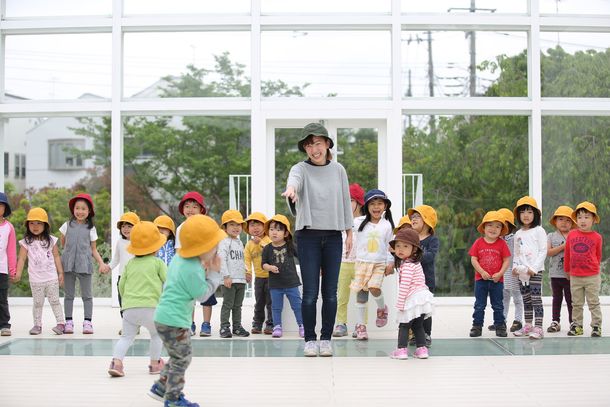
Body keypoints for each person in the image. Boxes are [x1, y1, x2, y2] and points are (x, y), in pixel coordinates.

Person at [282, 122, 353, 357]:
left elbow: (345, 200)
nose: (314, 149)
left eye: (318, 143)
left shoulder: (339, 170)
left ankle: (326, 338)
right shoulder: (300, 169)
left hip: (333, 235)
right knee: (311, 291)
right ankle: (310, 339)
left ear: (327, 145)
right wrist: (292, 190)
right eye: (309, 145)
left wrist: (349, 232)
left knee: (330, 292)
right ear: (305, 148)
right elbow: (294, 181)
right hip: (308, 235)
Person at [148, 214, 225, 407]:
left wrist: (205, 268)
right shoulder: (191, 268)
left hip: (165, 317)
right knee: (183, 359)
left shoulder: (181, 259)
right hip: (174, 321)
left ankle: (161, 386)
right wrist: (215, 274)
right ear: (204, 248)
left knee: (177, 356)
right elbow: (202, 295)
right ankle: (173, 400)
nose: (216, 252)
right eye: (214, 247)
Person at [108, 221, 167, 377]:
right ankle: (155, 364)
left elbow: (121, 285)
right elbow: (168, 283)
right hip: (152, 308)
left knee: (126, 337)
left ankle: (117, 363)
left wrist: (125, 303)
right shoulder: (158, 263)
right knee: (156, 335)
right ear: (156, 246)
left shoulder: (130, 264)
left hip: (130, 309)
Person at [60, 193, 109, 334]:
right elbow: (63, 242)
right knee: (68, 295)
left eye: (83, 209)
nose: (80, 211)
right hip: (68, 264)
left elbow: (93, 249)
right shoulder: (66, 225)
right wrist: (67, 254)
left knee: (87, 296)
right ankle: (68, 322)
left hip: (84, 265)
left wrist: (101, 263)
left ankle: (87, 322)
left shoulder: (91, 228)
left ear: (89, 212)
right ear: (73, 210)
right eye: (77, 208)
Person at [350, 189, 395, 341]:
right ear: (367, 206)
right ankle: (361, 326)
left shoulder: (387, 225)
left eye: (380, 204)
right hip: (362, 262)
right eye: (372, 204)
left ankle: (382, 308)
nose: (376, 207)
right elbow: (345, 228)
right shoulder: (357, 222)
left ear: (385, 206)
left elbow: (390, 246)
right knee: (361, 295)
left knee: (374, 287)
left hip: (379, 263)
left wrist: (390, 262)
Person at [12, 208, 65, 335]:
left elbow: (57, 257)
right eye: (32, 223)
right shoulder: (26, 242)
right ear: (27, 225)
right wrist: (18, 273)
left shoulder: (51, 240)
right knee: (37, 303)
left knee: (55, 301)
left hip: (51, 278)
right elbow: (22, 258)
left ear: (45, 225)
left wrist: (61, 273)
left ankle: (61, 323)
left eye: (39, 223)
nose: (35, 226)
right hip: (36, 280)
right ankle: (37, 325)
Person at [389, 228, 434, 360]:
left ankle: (401, 350)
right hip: (422, 297)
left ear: (414, 249)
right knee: (417, 325)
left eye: (405, 246)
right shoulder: (415, 263)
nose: (400, 249)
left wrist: (401, 303)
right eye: (397, 246)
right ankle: (422, 349)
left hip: (413, 297)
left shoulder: (408, 265)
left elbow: (405, 286)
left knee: (404, 324)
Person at [175, 191, 213, 337]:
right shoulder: (180, 228)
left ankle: (206, 324)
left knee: (207, 297)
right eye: (187, 206)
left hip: (204, 268)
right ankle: (189, 324)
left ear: (201, 210)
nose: (190, 209)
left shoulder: (205, 226)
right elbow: (179, 250)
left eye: (194, 206)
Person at [468, 211, 511, 338]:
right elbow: (473, 259)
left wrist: (500, 273)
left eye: (498, 226)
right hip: (480, 280)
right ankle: (477, 326)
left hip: (497, 280)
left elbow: (507, 260)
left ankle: (500, 325)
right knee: (479, 304)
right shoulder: (478, 242)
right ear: (484, 227)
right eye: (490, 225)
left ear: (502, 230)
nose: (493, 229)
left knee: (498, 304)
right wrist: (481, 272)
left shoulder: (502, 244)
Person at [261, 214, 304, 338]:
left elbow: (302, 256)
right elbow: (263, 264)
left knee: (297, 305)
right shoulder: (267, 249)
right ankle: (277, 326)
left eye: (279, 230)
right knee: (276, 307)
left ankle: (302, 325)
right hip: (275, 284)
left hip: (291, 283)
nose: (274, 232)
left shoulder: (290, 246)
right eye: (272, 229)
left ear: (285, 233)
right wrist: (269, 267)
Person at [565, 201, 603, 337]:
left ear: (593, 219)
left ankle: (596, 326)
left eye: (587, 217)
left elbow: (598, 255)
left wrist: (595, 269)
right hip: (575, 275)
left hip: (592, 276)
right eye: (580, 217)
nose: (583, 220)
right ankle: (577, 326)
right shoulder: (571, 235)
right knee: (576, 303)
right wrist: (567, 270)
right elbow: (567, 253)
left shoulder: (597, 237)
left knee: (593, 302)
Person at [511, 196, 547, 339]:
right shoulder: (518, 234)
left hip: (534, 272)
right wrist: (515, 267)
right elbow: (516, 253)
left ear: (536, 215)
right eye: (523, 212)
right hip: (521, 272)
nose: (526, 215)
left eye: (530, 212)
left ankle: (538, 327)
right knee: (526, 299)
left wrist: (534, 268)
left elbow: (543, 251)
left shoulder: (539, 230)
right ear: (518, 215)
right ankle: (528, 325)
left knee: (536, 298)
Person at [333, 183, 365, 338]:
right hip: (343, 262)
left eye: (350, 200)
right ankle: (341, 323)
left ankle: (361, 325)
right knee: (341, 296)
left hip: (361, 264)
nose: (346, 204)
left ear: (358, 202)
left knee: (361, 297)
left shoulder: (366, 221)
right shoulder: (340, 221)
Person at [408, 205, 438, 346]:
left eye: (417, 216)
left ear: (427, 220)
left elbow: (430, 256)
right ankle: (414, 334)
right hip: (411, 282)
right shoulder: (410, 238)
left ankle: (426, 334)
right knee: (414, 308)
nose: (413, 219)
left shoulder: (432, 240)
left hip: (426, 281)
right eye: (412, 217)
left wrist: (414, 255)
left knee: (425, 309)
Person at [218, 209, 250, 338]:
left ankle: (237, 327)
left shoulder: (240, 243)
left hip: (240, 280)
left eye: (238, 225)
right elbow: (221, 260)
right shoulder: (224, 243)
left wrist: (247, 272)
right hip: (229, 280)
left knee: (238, 305)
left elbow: (243, 260)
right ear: (225, 228)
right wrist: (226, 276)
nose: (236, 227)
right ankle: (224, 327)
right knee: (227, 304)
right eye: (232, 224)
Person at [494, 207, 524, 333]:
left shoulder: (515, 238)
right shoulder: (496, 240)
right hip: (502, 273)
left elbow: (520, 253)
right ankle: (502, 320)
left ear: (510, 226)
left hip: (514, 271)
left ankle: (518, 320)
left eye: (504, 224)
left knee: (517, 297)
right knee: (503, 298)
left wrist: (519, 267)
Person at [546, 205, 575, 333]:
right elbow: (549, 252)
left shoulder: (574, 235)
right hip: (555, 274)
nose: (564, 223)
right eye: (561, 219)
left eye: (568, 220)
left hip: (570, 275)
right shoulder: (551, 236)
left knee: (570, 299)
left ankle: (573, 322)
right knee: (556, 298)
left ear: (572, 223)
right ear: (555, 221)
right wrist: (563, 246)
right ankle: (555, 321)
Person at [244, 212, 273, 334]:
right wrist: (248, 272)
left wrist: (260, 242)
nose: (255, 228)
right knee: (259, 302)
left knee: (271, 302)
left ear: (264, 226)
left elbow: (270, 250)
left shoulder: (268, 239)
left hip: (272, 277)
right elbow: (247, 259)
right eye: (252, 225)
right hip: (259, 279)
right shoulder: (249, 244)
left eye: (258, 225)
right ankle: (257, 324)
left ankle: (271, 324)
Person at [109, 212, 140, 320]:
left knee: (135, 302)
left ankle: (135, 324)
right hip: (122, 277)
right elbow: (116, 259)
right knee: (123, 302)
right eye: (123, 226)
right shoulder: (120, 242)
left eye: (129, 226)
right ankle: (127, 324)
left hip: (136, 277)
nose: (126, 229)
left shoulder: (140, 242)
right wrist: (108, 267)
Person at [0, 192, 16, 336]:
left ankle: (4, 325)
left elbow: (11, 251)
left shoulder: (9, 227)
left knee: (2, 299)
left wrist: (13, 269)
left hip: (2, 270)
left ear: (5, 209)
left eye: (0, 205)